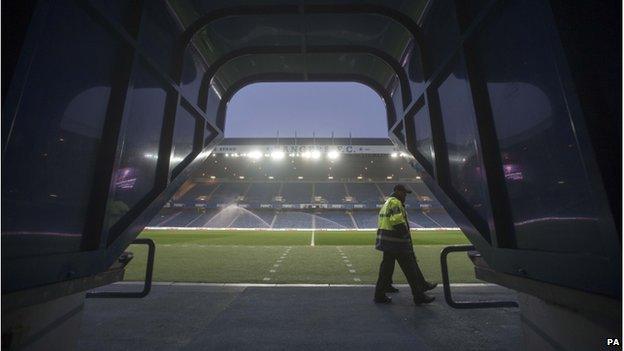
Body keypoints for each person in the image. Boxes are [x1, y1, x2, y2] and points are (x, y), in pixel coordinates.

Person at [374, 184, 437, 304]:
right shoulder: (395, 203)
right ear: (397, 192)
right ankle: (419, 295)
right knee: (410, 268)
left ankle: (380, 294)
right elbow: (397, 221)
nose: (405, 196)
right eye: (404, 193)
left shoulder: (387, 203)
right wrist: (406, 237)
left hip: (387, 241)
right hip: (396, 243)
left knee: (386, 270)